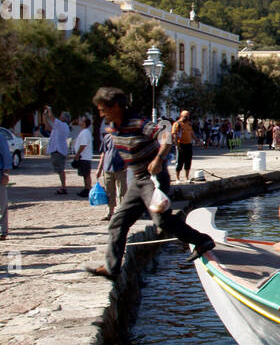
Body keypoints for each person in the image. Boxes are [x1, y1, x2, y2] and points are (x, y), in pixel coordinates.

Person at [84, 87, 214, 279]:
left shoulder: (137, 122)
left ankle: (202, 241)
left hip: (153, 178)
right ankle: (112, 269)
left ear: (117, 107)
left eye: (104, 109)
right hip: (138, 180)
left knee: (162, 220)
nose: (100, 113)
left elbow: (166, 136)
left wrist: (159, 159)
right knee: (118, 222)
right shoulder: (113, 126)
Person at [96, 121, 128, 221]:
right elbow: (103, 154)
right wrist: (99, 169)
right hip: (108, 168)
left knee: (122, 192)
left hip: (120, 168)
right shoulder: (107, 137)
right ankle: (110, 212)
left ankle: (123, 213)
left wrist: (126, 165)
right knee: (109, 192)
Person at [47, 110, 71, 194]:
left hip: (58, 150)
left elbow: (52, 118)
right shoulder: (60, 126)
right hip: (56, 149)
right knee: (59, 169)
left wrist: (50, 110)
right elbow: (49, 128)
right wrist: (44, 117)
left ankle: (63, 187)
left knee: (60, 169)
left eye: (61, 115)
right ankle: (63, 186)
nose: (59, 116)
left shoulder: (62, 125)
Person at [73, 115, 94, 197]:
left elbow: (83, 145)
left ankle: (88, 189)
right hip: (84, 157)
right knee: (84, 174)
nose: (80, 121)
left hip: (84, 157)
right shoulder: (84, 131)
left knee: (86, 174)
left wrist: (77, 154)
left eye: (82, 120)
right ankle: (86, 188)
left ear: (85, 124)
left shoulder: (85, 132)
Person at [172, 110, 194, 181]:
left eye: (188, 116)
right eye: (186, 116)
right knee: (179, 161)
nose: (187, 118)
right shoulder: (177, 124)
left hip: (188, 144)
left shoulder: (189, 124)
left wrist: (197, 140)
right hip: (180, 144)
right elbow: (174, 134)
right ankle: (177, 178)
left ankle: (187, 177)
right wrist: (177, 144)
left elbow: (191, 133)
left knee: (188, 161)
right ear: (181, 116)